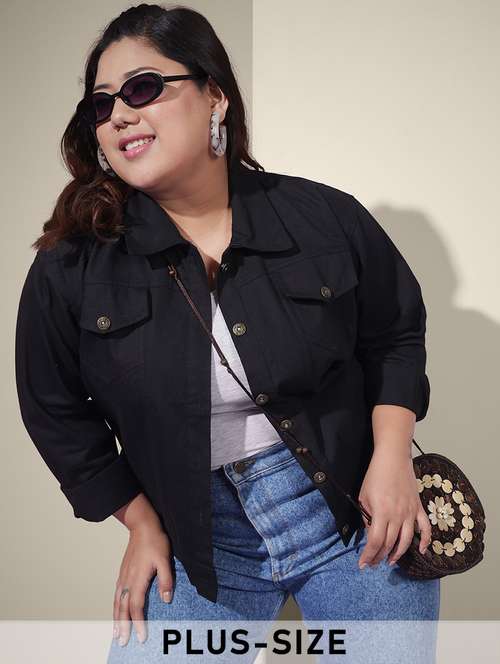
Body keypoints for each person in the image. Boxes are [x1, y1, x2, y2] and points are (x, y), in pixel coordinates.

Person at [14, 4, 440, 663]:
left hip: (356, 512)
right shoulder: (70, 266)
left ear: (214, 96)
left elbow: (395, 334)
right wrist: (139, 522)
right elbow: (54, 410)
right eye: (102, 104)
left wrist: (391, 459)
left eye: (143, 89)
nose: (119, 115)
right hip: (199, 542)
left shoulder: (322, 218)